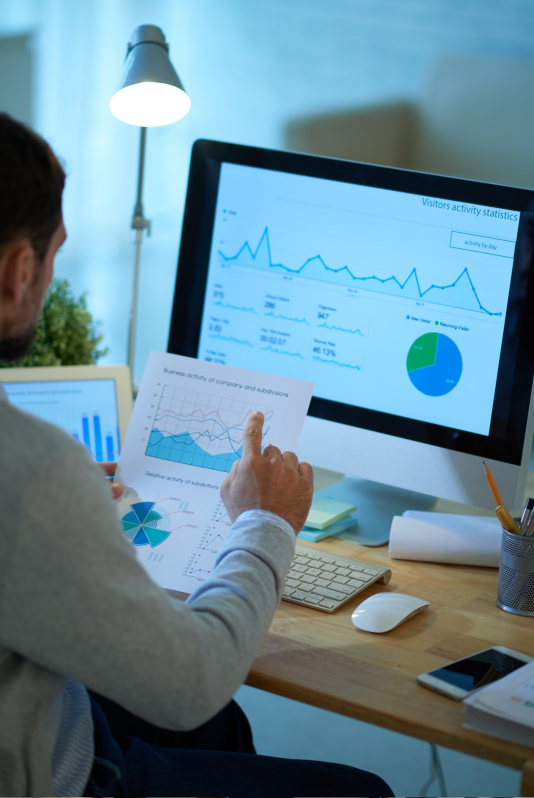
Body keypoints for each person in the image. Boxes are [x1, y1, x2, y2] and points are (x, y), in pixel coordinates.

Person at [0, 113, 393, 798]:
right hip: (60, 778)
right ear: (17, 271)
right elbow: (194, 683)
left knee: (221, 735)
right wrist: (265, 522)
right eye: (55, 254)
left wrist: (57, 506)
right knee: (361, 790)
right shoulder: (29, 474)